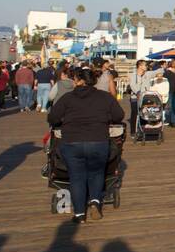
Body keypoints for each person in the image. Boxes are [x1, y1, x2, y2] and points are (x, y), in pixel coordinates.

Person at [48, 67, 125, 224]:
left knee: (77, 177)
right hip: (98, 140)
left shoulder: (67, 98)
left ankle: (79, 214)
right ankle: (95, 202)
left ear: (79, 80)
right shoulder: (105, 97)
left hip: (72, 142)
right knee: (96, 173)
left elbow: (53, 118)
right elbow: (119, 116)